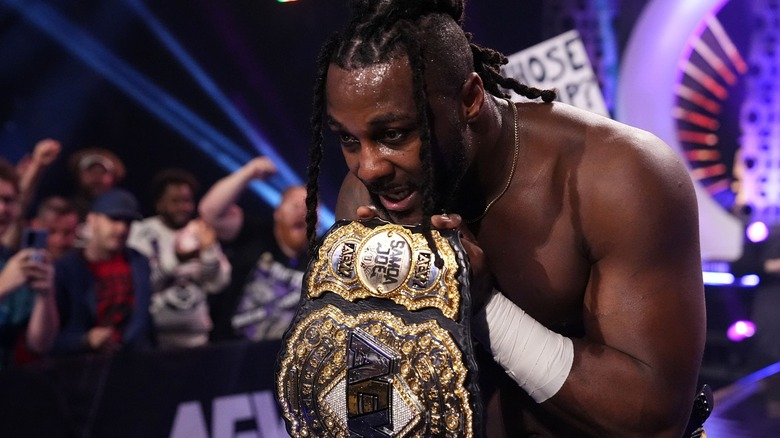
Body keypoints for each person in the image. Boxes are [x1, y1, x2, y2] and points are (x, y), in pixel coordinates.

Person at [299, 1, 706, 436]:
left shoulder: (618, 178)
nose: (369, 167)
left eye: (393, 133)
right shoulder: (366, 198)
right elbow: (372, 416)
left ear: (471, 99)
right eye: (348, 138)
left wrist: (482, 305)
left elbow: (654, 418)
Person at [198, 157, 310, 342]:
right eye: (295, 205)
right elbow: (209, 212)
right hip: (231, 353)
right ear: (278, 212)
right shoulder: (256, 234)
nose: (302, 211)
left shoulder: (323, 256)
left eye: (310, 206)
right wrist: (249, 172)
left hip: (285, 363)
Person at [128, 168, 230, 349]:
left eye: (187, 201)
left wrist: (208, 252)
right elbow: (142, 286)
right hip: (154, 339)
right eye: (175, 201)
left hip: (197, 337)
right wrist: (177, 259)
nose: (183, 207)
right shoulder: (142, 232)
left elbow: (217, 285)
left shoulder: (200, 230)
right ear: (159, 203)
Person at [53, 188, 154, 354]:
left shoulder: (139, 262)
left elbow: (144, 322)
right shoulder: (67, 268)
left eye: (128, 222)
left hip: (133, 363)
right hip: (81, 366)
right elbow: (49, 337)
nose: (122, 229)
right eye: (114, 220)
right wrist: (84, 340)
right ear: (92, 220)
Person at [0, 158, 59, 369]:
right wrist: (3, 285)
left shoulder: (11, 261)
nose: (2, 209)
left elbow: (39, 344)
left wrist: (45, 295)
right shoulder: (9, 272)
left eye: (8, 200)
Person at [66, 147, 126, 220]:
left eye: (102, 172)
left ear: (113, 177)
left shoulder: (125, 208)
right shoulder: (67, 209)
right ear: (79, 175)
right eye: (91, 172)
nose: (96, 177)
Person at [28, 196, 80, 261]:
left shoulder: (85, 267)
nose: (60, 241)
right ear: (36, 227)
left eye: (68, 232)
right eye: (51, 231)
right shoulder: (18, 264)